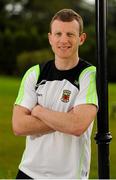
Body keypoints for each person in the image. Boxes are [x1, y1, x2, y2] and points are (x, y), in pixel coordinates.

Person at [12, 8, 98, 179]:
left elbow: (77, 126)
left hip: (69, 176)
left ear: (81, 38)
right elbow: (19, 126)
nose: (63, 40)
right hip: (28, 172)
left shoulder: (90, 74)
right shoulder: (35, 73)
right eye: (58, 34)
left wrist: (38, 111)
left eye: (70, 34)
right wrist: (66, 119)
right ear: (50, 38)